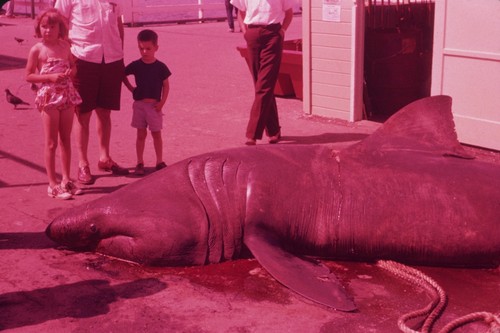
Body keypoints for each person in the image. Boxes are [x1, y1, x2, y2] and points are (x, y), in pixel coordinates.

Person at [55, 0, 129, 185]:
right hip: (83, 58)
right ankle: (83, 163)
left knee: (105, 111)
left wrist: (120, 52)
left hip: (112, 58)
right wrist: (68, 54)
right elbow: (58, 21)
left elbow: (118, 25)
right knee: (83, 113)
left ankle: (104, 158)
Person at [26, 8, 83, 199]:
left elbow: (73, 65)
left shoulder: (65, 46)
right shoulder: (37, 49)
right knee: (51, 143)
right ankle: (52, 184)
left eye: (52, 26)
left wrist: (70, 72)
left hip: (67, 95)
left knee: (65, 139)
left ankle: (66, 179)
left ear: (60, 29)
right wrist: (49, 77)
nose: (48, 30)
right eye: (44, 27)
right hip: (49, 97)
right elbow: (29, 75)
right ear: (39, 28)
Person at [230, 0, 294, 145]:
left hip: (273, 35)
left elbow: (289, 13)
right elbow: (241, 11)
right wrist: (245, 31)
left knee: (264, 85)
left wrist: (282, 31)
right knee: (261, 85)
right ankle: (273, 130)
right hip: (253, 35)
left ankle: (252, 133)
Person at [123, 29, 171, 176]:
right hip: (139, 106)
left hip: (154, 106)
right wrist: (132, 89)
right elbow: (122, 74)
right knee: (140, 135)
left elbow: (166, 85)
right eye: (141, 48)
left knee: (157, 134)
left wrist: (162, 103)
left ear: (156, 48)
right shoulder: (136, 65)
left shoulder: (161, 67)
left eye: (148, 48)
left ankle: (159, 161)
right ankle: (139, 162)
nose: (144, 51)